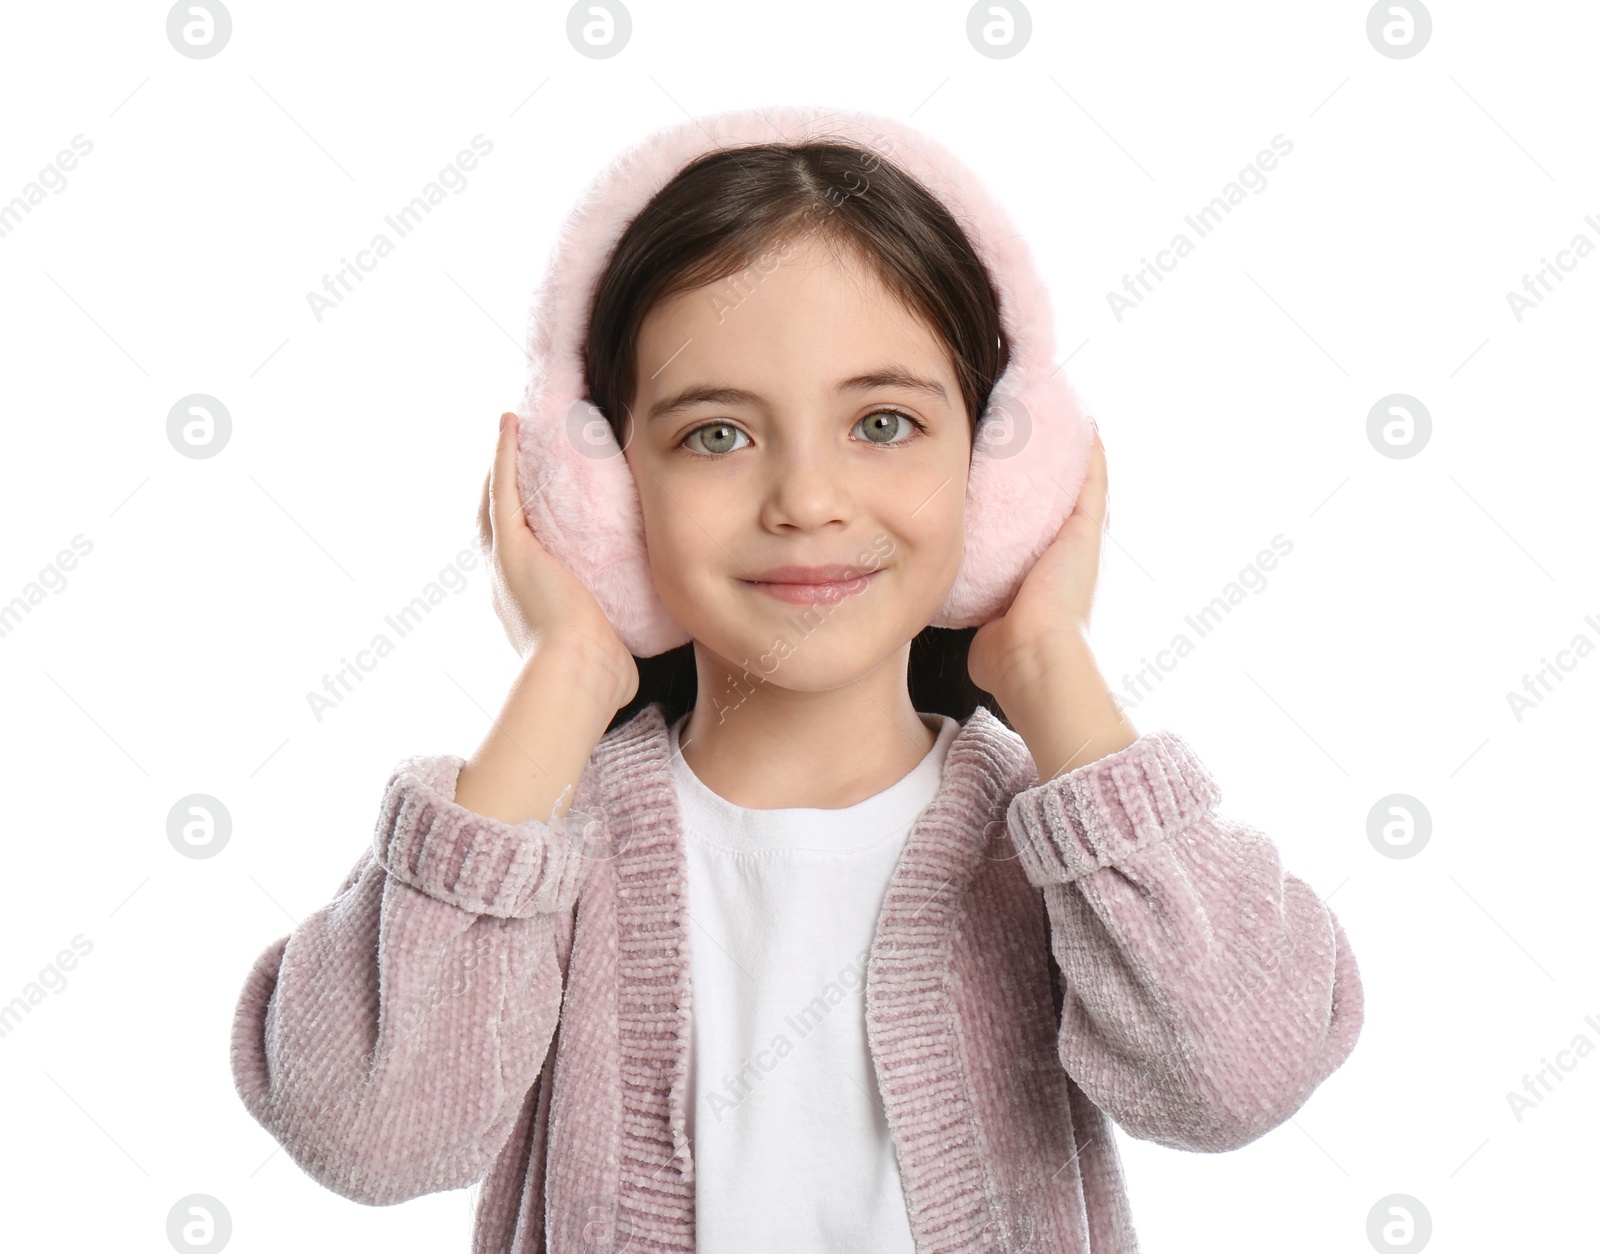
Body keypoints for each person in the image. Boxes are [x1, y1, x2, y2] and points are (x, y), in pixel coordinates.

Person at [229, 106, 1363, 1253]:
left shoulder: (1060, 849)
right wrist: (564, 676)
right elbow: (368, 1136)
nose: (807, 500)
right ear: (604, 498)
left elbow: (1237, 1080)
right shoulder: (541, 849)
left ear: (1003, 472)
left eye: (883, 422)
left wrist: (1048, 664)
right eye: (715, 435)